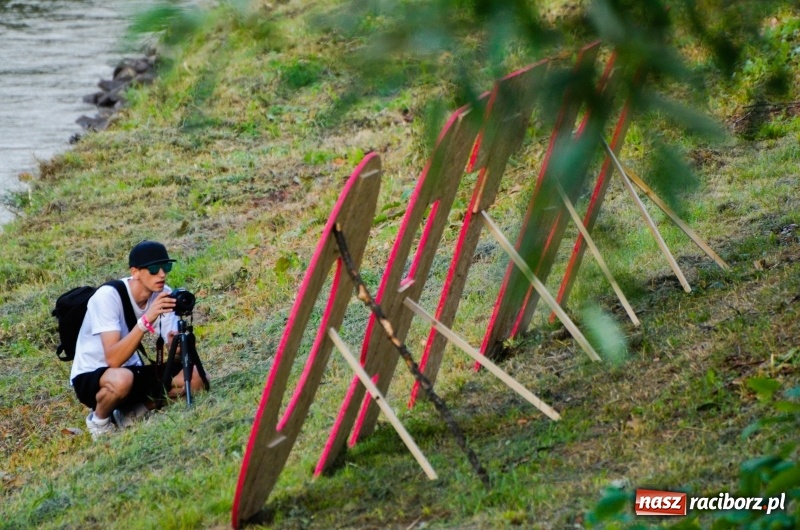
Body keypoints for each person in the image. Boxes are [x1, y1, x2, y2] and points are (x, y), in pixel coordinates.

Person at [69, 240, 206, 439]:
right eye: (153, 269)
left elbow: (172, 349)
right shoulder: (107, 297)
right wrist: (146, 320)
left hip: (131, 370)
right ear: (135, 272)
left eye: (165, 267)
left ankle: (131, 414)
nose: (162, 274)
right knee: (122, 378)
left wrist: (175, 344)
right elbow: (113, 360)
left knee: (196, 378)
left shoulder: (163, 294)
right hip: (93, 375)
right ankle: (99, 421)